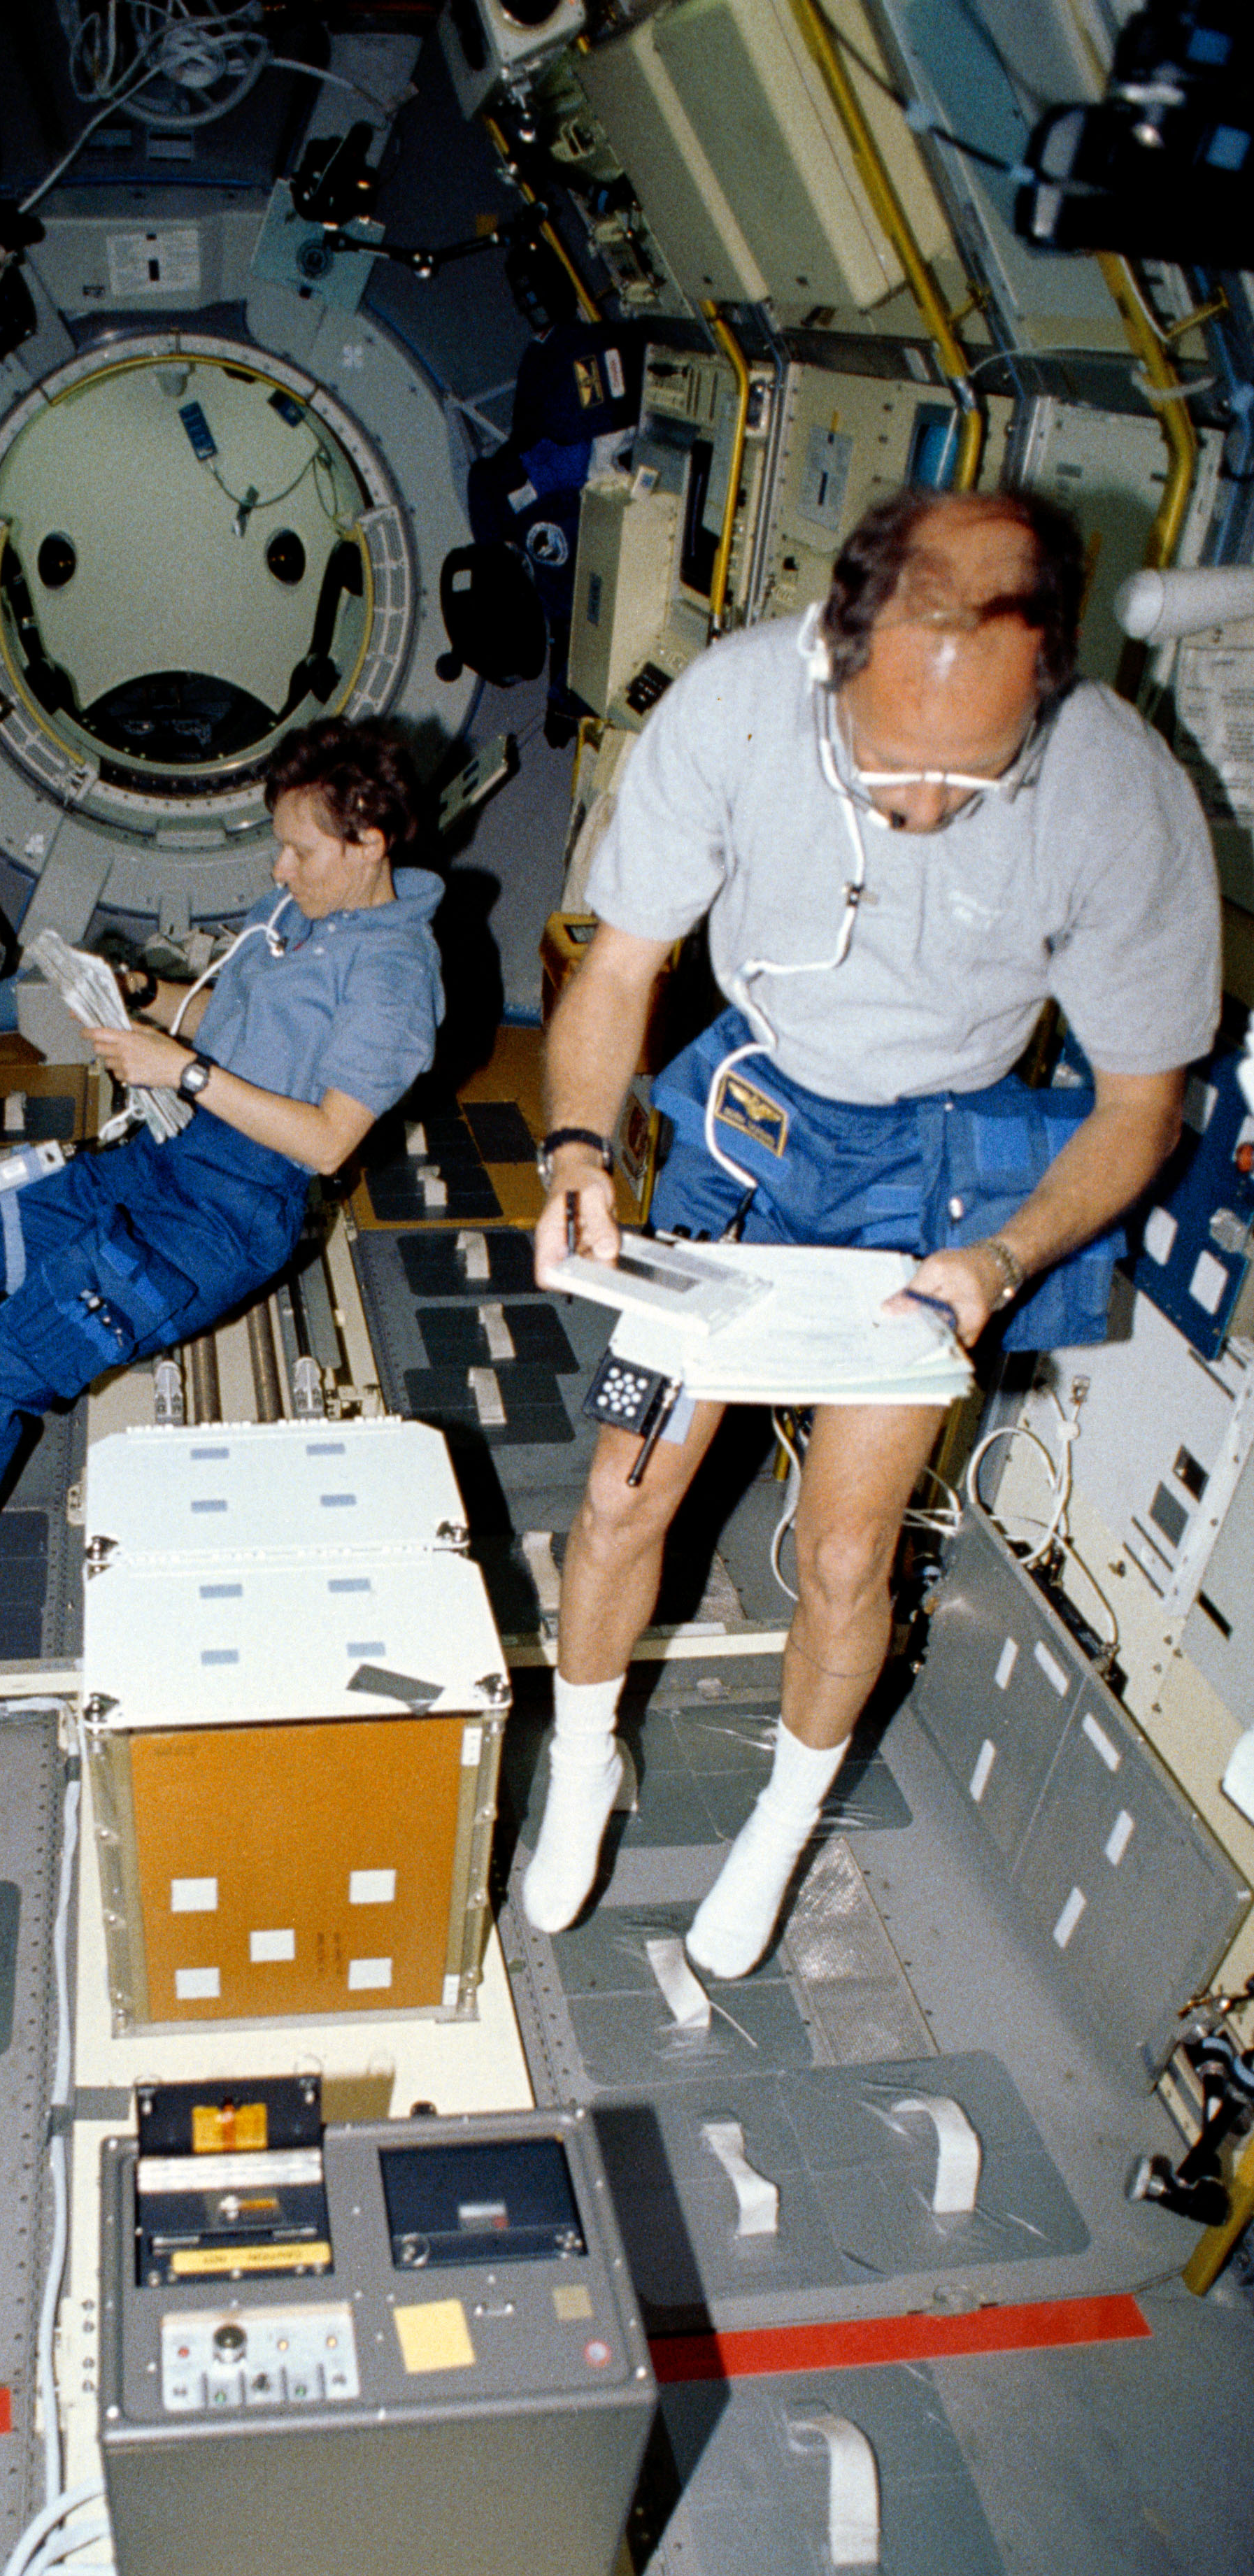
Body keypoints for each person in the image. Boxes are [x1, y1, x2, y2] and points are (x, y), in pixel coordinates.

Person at [524, 487, 1220, 1970]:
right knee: (620, 1492)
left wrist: (998, 1261)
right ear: (831, 660)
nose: (913, 811)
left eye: (964, 783)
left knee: (844, 1557)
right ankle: (581, 1766)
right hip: (750, 1119)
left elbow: (1135, 1110)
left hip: (939, 1166)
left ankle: (779, 1826)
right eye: (885, 766)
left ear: (1041, 691)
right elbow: (614, 967)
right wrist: (578, 1150)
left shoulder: (1114, 796)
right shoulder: (729, 713)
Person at [0, 716, 443, 1672]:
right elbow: (241, 1016)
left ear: (369, 843)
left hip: (226, 1218)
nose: (279, 869)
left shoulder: (391, 978)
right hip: (165, 1160)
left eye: (299, 849)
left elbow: (328, 1137)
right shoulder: (309, 917)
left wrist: (178, 1072)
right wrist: (144, 996)